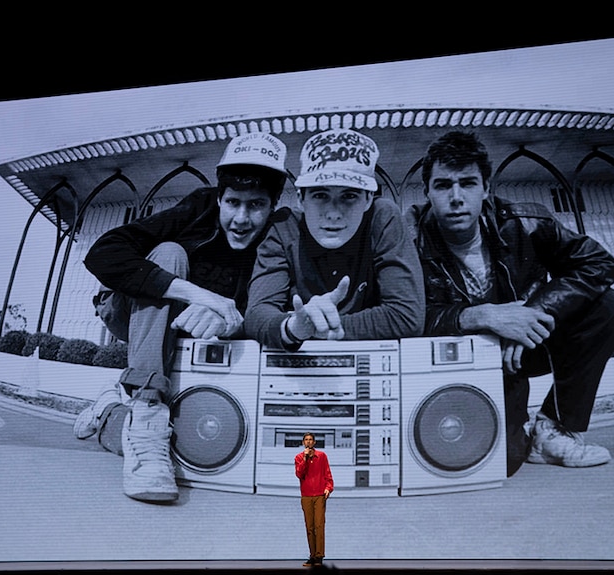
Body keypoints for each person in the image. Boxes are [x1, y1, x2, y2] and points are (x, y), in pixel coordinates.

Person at [74, 131, 289, 502]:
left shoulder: (278, 236)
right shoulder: (198, 208)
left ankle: (111, 411)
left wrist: (231, 318)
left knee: (187, 438)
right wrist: (202, 296)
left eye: (255, 205)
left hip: (198, 329)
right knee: (170, 252)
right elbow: (102, 254)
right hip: (129, 310)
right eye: (233, 202)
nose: (241, 218)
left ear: (272, 207)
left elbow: (263, 313)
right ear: (219, 198)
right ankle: (145, 411)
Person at [407, 130, 614, 476]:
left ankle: (552, 429)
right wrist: (482, 316)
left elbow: (600, 264)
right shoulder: (409, 242)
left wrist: (532, 312)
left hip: (521, 348)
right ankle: (518, 436)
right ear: (427, 192)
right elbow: (401, 317)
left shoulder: (525, 223)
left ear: (486, 188)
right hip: (456, 361)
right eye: (442, 185)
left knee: (609, 306)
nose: (456, 197)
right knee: (504, 461)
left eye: (467, 183)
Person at [244, 128, 424, 347]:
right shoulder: (284, 226)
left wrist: (320, 328)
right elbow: (256, 313)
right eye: (320, 195)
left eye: (349, 196)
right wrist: (293, 328)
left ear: (368, 199)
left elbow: (407, 316)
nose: (333, 213)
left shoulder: (382, 217)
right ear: (301, 199)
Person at [295, 432, 333, 567]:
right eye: (306, 440)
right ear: (303, 442)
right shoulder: (299, 457)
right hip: (306, 496)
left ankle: (319, 556)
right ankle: (312, 555)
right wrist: (305, 459)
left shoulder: (322, 456)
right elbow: (299, 474)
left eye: (311, 440)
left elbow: (328, 474)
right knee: (310, 527)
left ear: (314, 442)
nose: (309, 442)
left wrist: (329, 487)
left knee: (319, 525)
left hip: (319, 495)